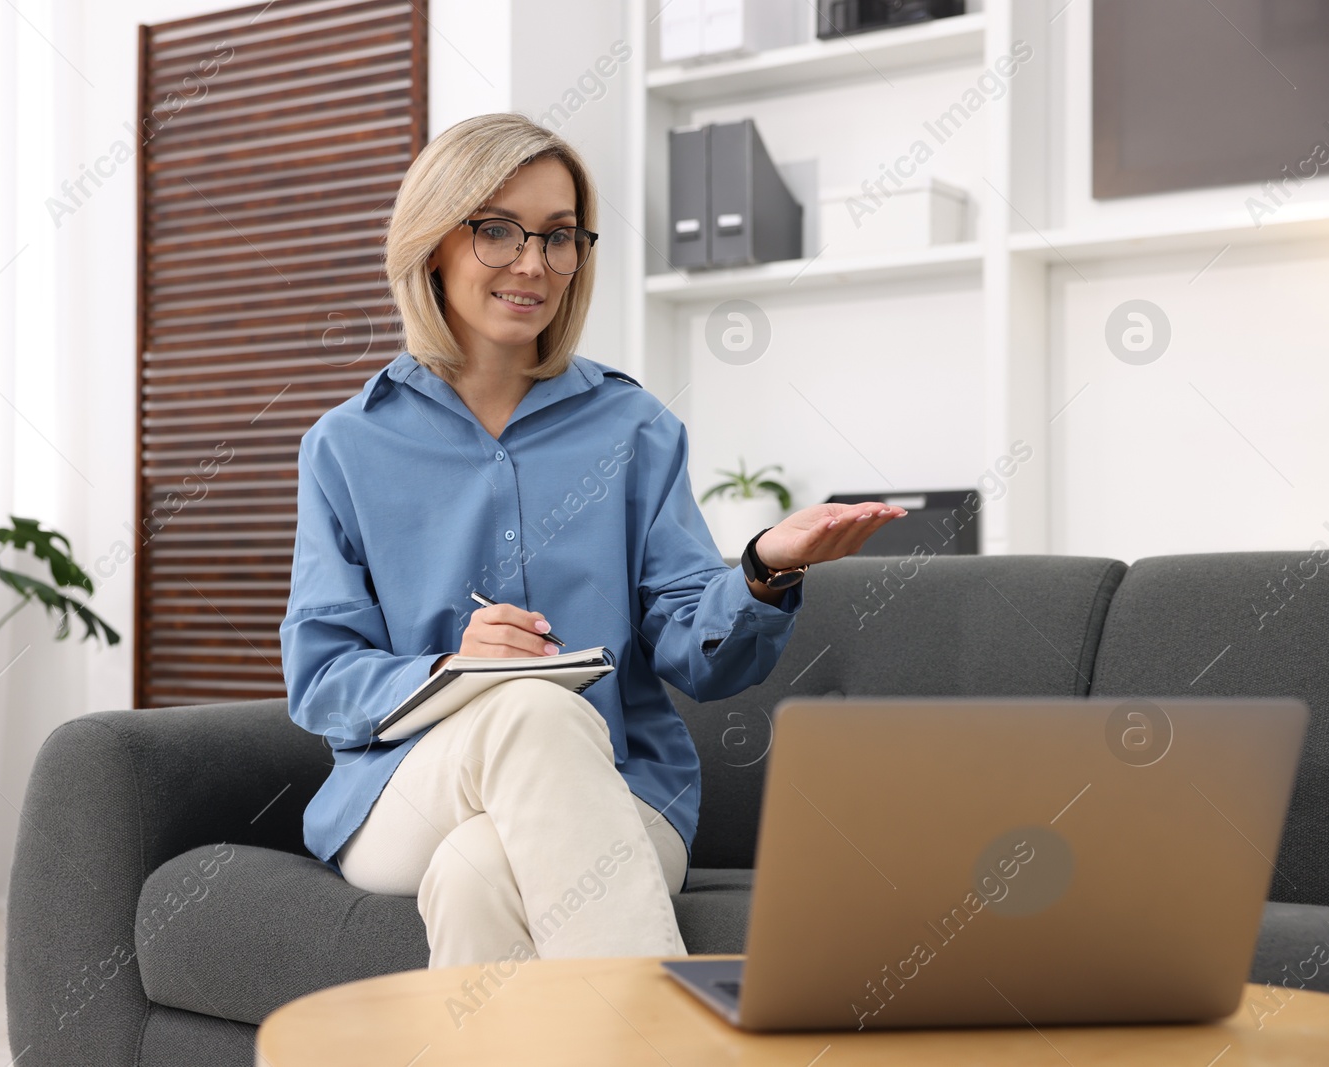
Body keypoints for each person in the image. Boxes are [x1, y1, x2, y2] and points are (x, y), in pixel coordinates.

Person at [278, 113, 905, 969]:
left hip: (621, 790)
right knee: (531, 705)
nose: (533, 263)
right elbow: (321, 676)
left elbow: (702, 654)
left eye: (560, 236)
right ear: (433, 245)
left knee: (474, 875)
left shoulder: (635, 428)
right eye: (496, 231)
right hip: (406, 788)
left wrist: (761, 570)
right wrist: (446, 672)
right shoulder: (347, 446)